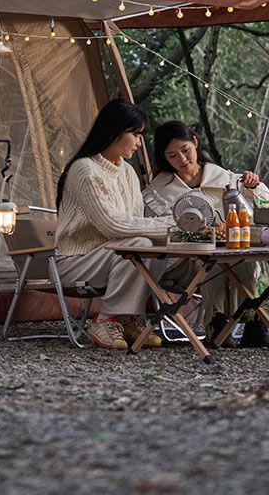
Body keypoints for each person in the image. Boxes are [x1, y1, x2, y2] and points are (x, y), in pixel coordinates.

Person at [55, 99, 176, 350]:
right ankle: (105, 319)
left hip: (111, 256)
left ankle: (128, 318)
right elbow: (112, 226)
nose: (139, 141)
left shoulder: (128, 172)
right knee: (140, 244)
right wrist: (171, 226)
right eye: (136, 134)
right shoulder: (84, 169)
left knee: (153, 246)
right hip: (76, 261)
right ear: (115, 131)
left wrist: (167, 232)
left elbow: (134, 222)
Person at [142, 120, 269, 348]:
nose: (182, 159)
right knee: (212, 261)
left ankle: (252, 321)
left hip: (226, 254)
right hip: (183, 261)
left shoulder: (225, 179)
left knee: (242, 258)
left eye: (185, 150)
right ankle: (217, 322)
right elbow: (153, 229)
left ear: (195, 142)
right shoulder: (159, 192)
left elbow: (263, 205)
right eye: (173, 155)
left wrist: (252, 186)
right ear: (164, 158)